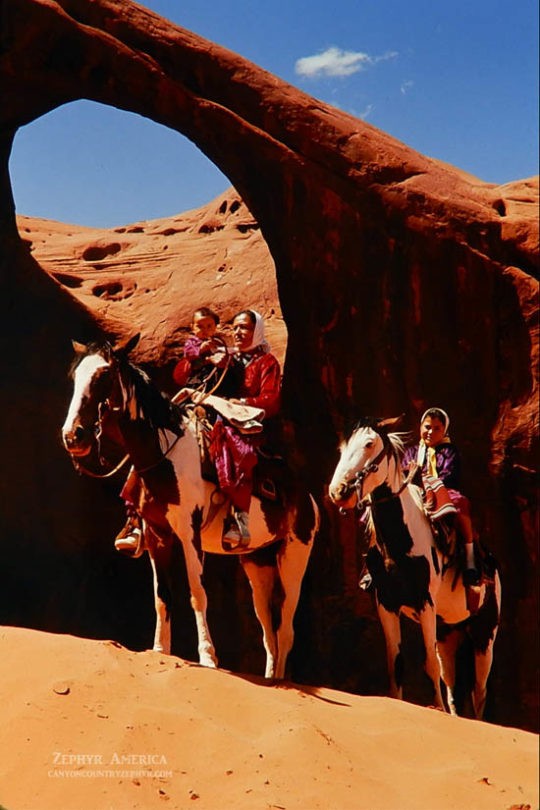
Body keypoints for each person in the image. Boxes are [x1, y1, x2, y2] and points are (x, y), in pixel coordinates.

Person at [209, 309, 281, 548]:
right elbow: (180, 375)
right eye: (235, 327)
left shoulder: (267, 362)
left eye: (244, 328)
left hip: (249, 426)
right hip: (216, 417)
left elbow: (271, 401)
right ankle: (136, 515)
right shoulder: (226, 357)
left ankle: (239, 517)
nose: (238, 333)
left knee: (243, 454)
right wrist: (201, 357)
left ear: (257, 331)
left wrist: (241, 403)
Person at [402, 407, 480, 585]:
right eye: (427, 427)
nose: (430, 432)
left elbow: (449, 475)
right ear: (420, 426)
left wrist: (429, 483)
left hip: (442, 491)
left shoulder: (449, 451)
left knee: (460, 504)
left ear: (444, 430)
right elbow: (404, 475)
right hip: (416, 492)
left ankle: (469, 560)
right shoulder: (411, 452)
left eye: (437, 428)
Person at [172, 307, 226, 390]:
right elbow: (188, 354)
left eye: (209, 326)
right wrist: (201, 349)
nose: (205, 330)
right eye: (200, 326)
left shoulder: (217, 341)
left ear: (215, 326)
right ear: (192, 327)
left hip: (215, 374)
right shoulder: (192, 342)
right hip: (198, 375)